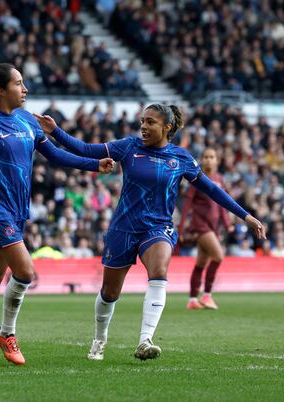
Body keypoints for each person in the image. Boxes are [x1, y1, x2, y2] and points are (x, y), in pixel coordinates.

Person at [35, 104, 265, 361]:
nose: (144, 126)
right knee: (110, 293)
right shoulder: (129, 147)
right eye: (143, 121)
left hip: (158, 227)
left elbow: (212, 190)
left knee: (159, 272)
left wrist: (246, 215)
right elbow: (86, 150)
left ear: (167, 127)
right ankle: (100, 339)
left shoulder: (181, 158)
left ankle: (145, 340)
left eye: (151, 122)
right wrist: (55, 131)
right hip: (123, 227)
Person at [0, 63, 115, 365]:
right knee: (25, 272)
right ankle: (6, 333)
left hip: (17, 208)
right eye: (18, 83)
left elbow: (55, 155)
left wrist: (94, 165)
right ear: (1, 90)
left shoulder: (27, 120)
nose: (24, 89)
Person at [178, 148, 233, 310]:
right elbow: (186, 205)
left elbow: (223, 203)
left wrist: (227, 222)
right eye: (206, 157)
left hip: (213, 227)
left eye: (212, 157)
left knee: (201, 263)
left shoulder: (219, 179)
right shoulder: (197, 178)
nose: (209, 160)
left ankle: (193, 300)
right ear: (202, 160)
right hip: (200, 226)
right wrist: (181, 228)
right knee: (218, 256)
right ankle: (207, 295)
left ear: (217, 160)